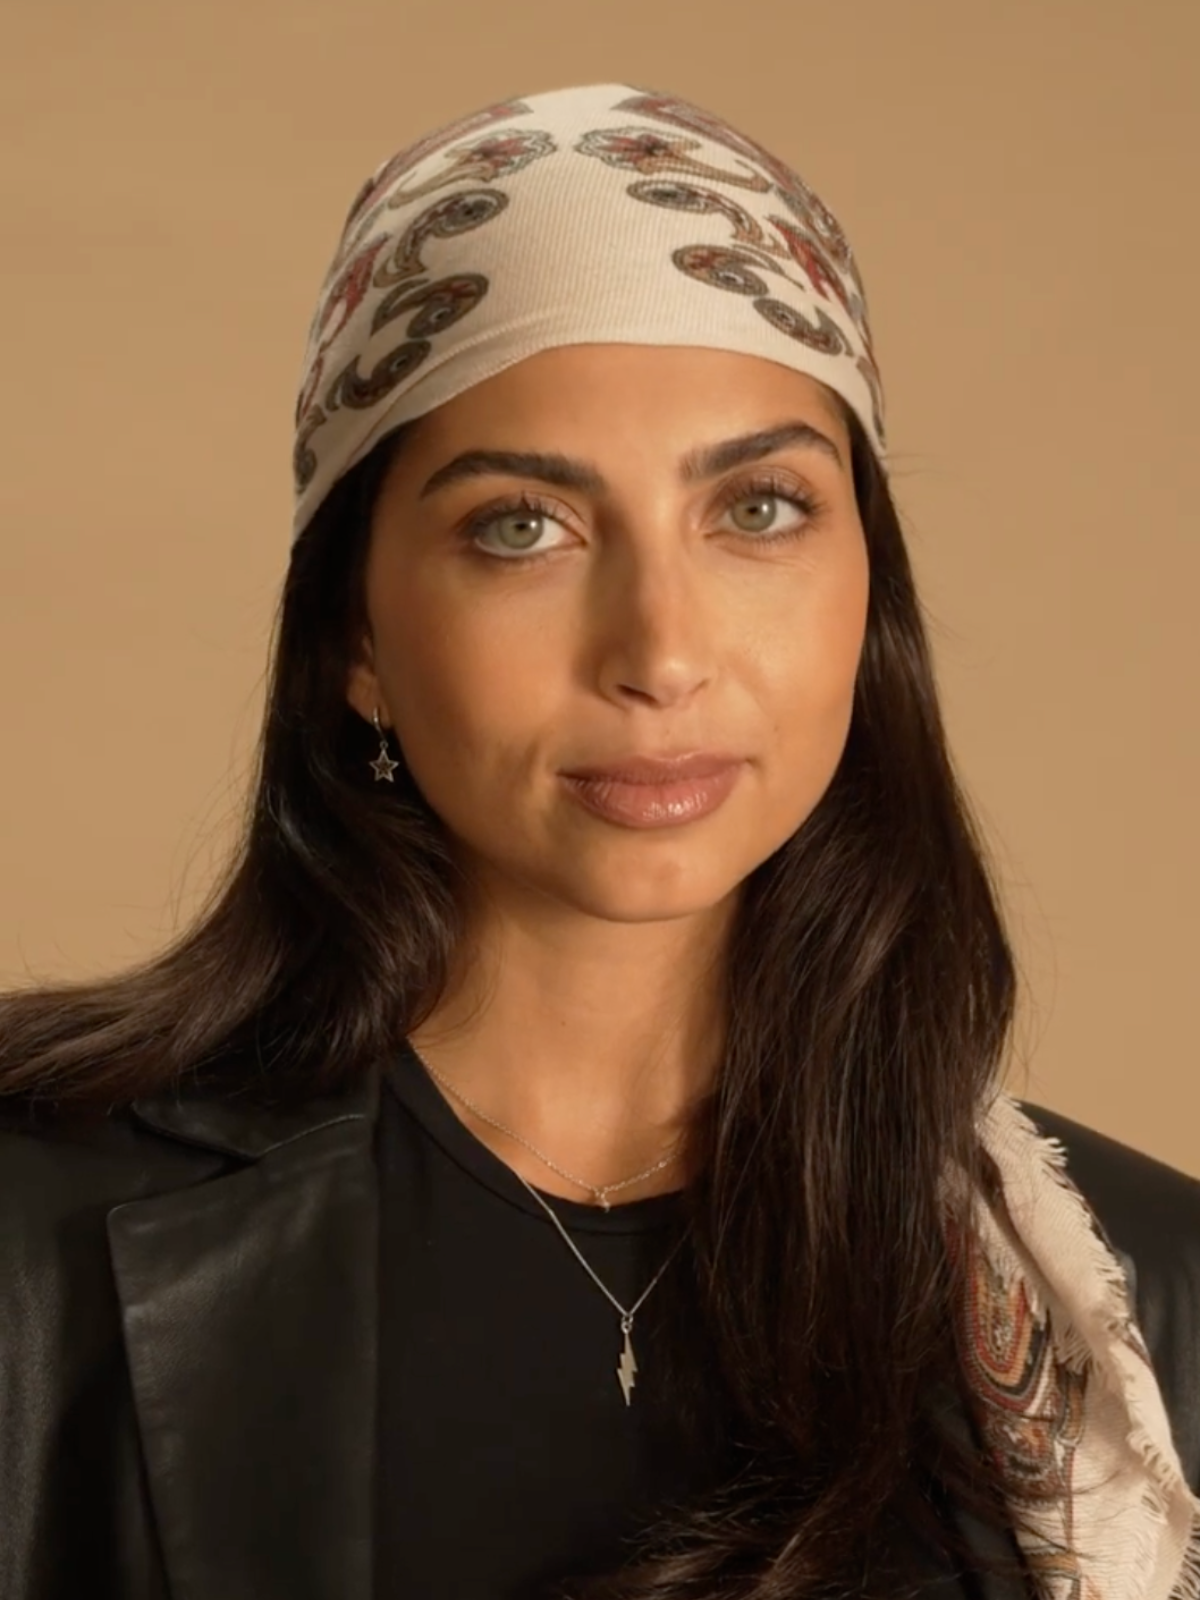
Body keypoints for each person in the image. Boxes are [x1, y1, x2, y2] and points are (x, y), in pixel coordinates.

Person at [0, 80, 1197, 1600]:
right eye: (523, 526)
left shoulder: (1148, 1314)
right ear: (356, 639)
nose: (661, 649)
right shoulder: (33, 1239)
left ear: (866, 602)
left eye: (759, 508)